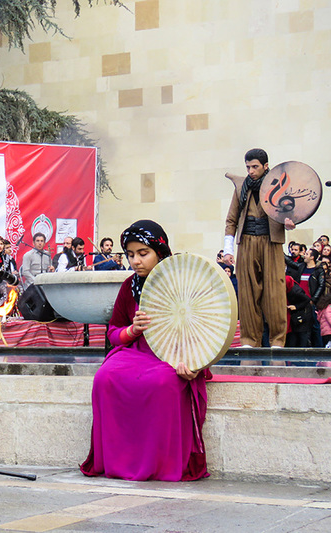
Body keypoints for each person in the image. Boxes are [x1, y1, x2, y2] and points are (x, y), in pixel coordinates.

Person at [80, 220, 210, 481]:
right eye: (130, 255)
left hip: (175, 354)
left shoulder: (183, 281)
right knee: (105, 378)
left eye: (143, 253)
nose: (135, 261)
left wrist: (193, 364)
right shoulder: (130, 286)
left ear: (160, 252)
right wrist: (133, 330)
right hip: (136, 352)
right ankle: (118, 462)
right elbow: (114, 333)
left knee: (162, 382)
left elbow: (206, 331)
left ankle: (158, 464)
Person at [224, 148, 292, 348]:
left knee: (275, 292)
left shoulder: (278, 185)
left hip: (271, 242)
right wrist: (228, 249)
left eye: (255, 166)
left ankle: (277, 341)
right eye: (248, 167)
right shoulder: (241, 187)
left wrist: (290, 223)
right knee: (247, 292)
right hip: (246, 241)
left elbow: (290, 212)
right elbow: (231, 220)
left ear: (266, 166)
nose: (251, 171)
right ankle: (249, 341)